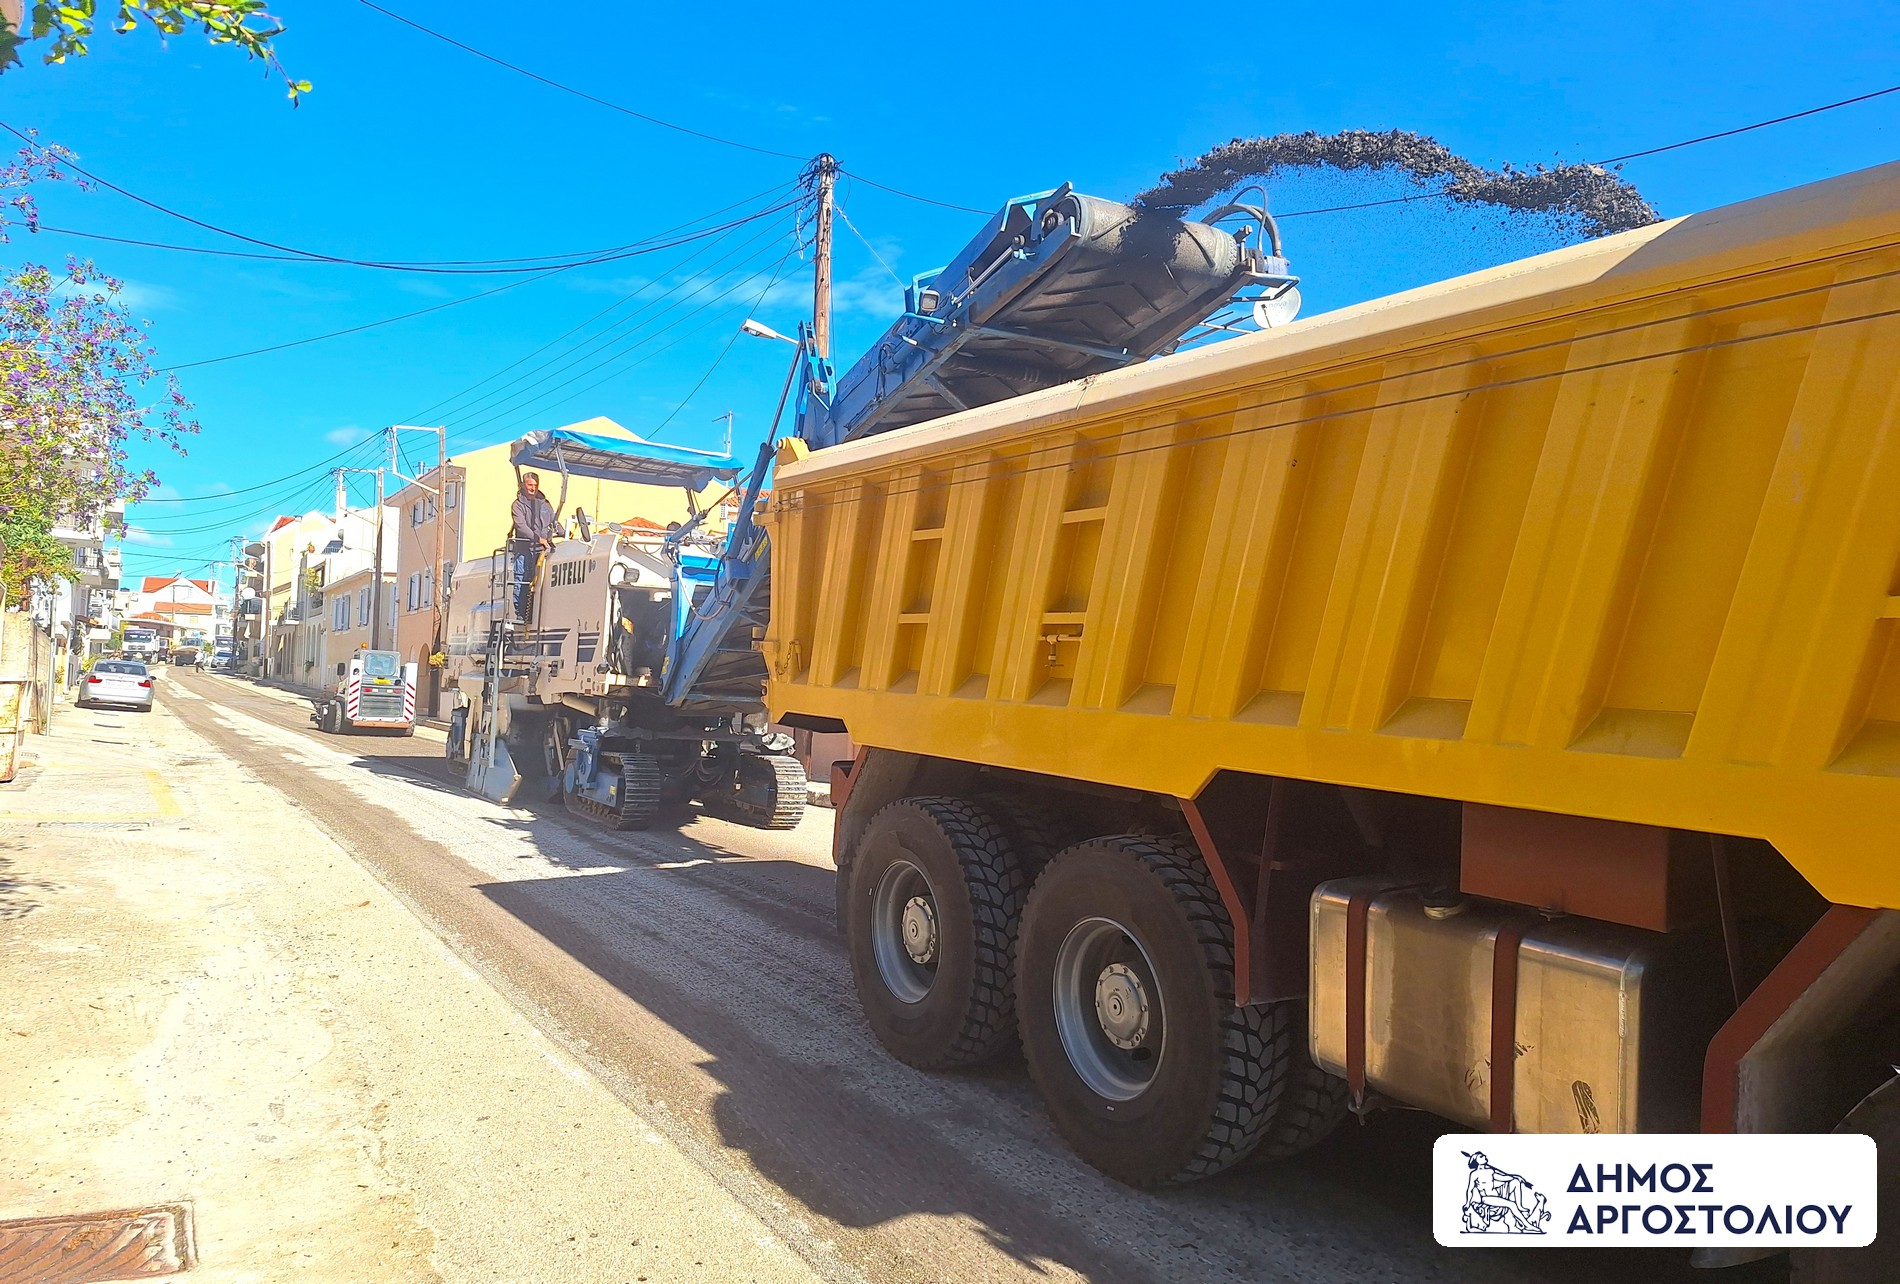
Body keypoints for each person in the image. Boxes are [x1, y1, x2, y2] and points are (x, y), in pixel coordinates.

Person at [509, 471, 559, 620]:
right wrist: (538, 539)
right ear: (523, 485)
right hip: (524, 550)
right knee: (522, 579)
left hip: (541, 551)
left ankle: (536, 611)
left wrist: (565, 533)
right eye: (530, 485)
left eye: (535, 485)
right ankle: (521, 613)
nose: (533, 488)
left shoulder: (545, 504)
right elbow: (521, 526)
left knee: (540, 580)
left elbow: (554, 522)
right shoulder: (517, 505)